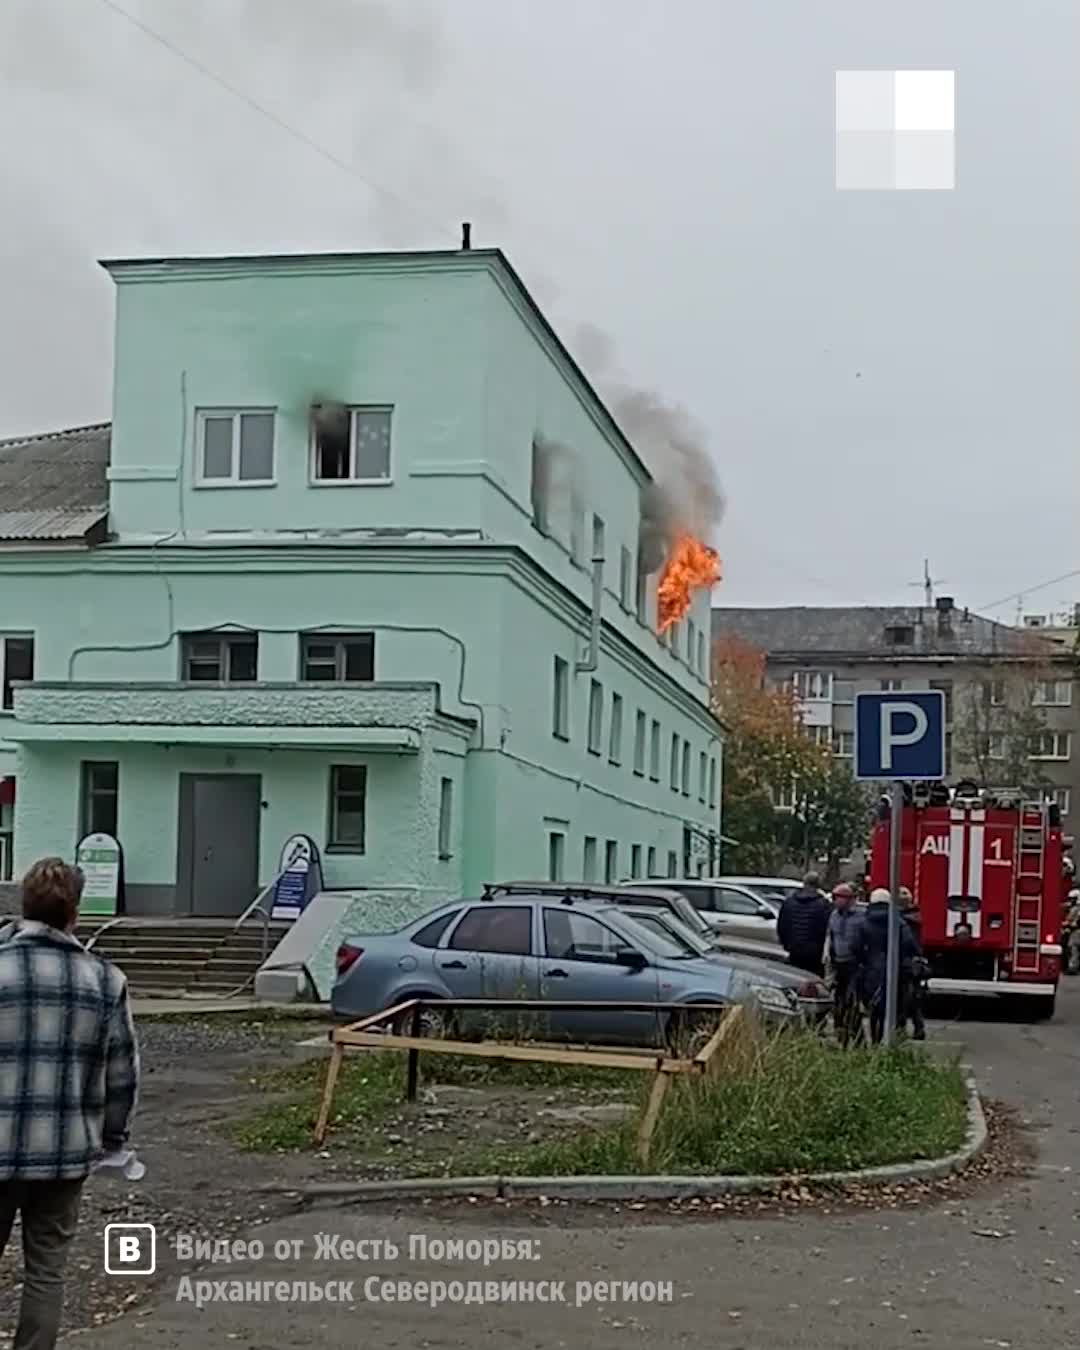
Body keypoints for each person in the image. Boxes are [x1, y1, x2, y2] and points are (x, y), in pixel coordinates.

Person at [0, 858, 140, 1350]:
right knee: (46, 1271)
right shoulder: (104, 980)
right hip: (63, 1155)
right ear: (74, 913)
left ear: (23, 906)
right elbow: (122, 1074)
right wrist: (112, 1141)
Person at [857, 887, 921, 1045]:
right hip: (895, 969)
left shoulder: (863, 921)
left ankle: (875, 1040)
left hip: (871, 970)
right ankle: (896, 1040)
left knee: (873, 1007)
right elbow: (909, 945)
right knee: (897, 1005)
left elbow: (856, 945)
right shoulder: (898, 922)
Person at [827, 883, 865, 1046]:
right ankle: (841, 1034)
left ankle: (858, 1038)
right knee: (838, 1002)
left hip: (854, 964)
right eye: (834, 898)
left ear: (848, 899)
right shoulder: (834, 916)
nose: (835, 901)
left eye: (839, 898)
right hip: (839, 964)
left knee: (852, 1002)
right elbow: (831, 937)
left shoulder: (860, 917)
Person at [777, 871, 830, 977]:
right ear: (818, 885)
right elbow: (825, 929)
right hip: (814, 952)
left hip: (794, 949)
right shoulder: (823, 905)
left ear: (804, 883)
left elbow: (782, 926)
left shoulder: (789, 902)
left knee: (793, 977)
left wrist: (786, 944)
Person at [898, 887, 928, 1040]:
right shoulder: (916, 916)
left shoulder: (902, 919)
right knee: (914, 998)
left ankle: (902, 1028)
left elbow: (909, 942)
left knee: (905, 998)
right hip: (913, 962)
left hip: (905, 962)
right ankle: (918, 1028)